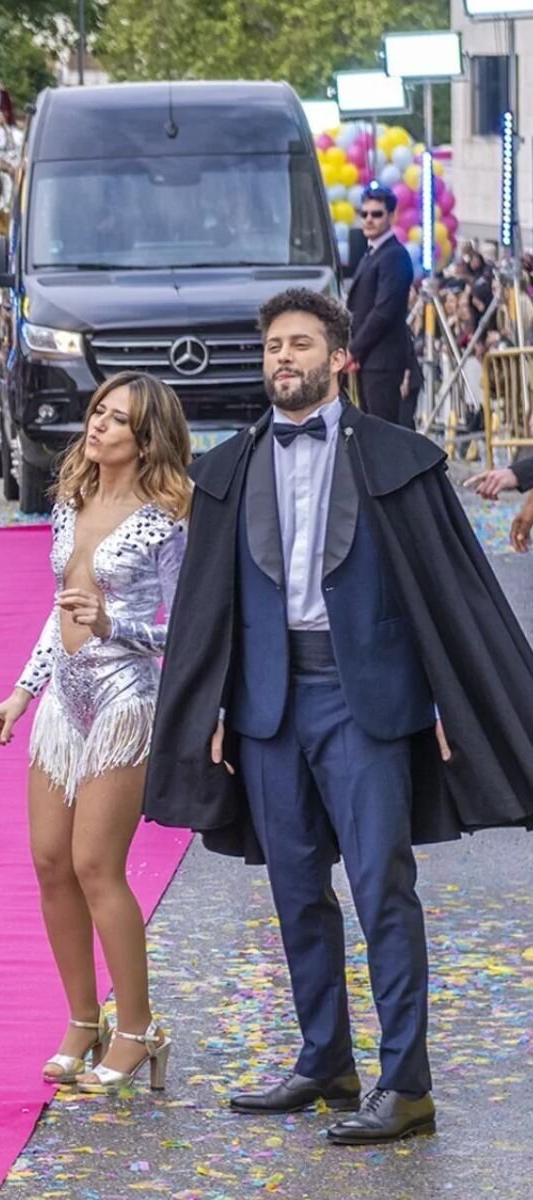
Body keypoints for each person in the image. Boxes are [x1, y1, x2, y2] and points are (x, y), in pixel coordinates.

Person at [145, 288, 533, 1144]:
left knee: (381, 886)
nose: (284, 357)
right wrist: (211, 707)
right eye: (274, 346)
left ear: (339, 359)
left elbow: (447, 595)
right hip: (268, 707)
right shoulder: (229, 466)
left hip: (368, 703)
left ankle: (407, 1084)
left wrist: (448, 701)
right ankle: (325, 1058)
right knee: (294, 890)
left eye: (300, 344)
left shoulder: (399, 459)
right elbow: (209, 607)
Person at [0, 372, 190, 1091]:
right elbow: (59, 607)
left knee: (96, 864)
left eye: (118, 419)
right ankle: (81, 1018)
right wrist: (21, 690)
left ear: (147, 438)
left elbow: (182, 629)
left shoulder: (167, 518)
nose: (98, 425)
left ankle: (137, 1027)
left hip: (128, 697)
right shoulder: (71, 502)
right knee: (49, 861)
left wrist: (112, 625)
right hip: (63, 701)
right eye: (98, 411)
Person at [347, 183, 420, 428]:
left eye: (376, 214)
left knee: (385, 432)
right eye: (364, 214)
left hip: (384, 361)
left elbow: (384, 310)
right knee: (372, 432)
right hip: (370, 360)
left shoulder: (394, 256)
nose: (369, 219)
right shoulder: (371, 254)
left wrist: (354, 349)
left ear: (391, 215)